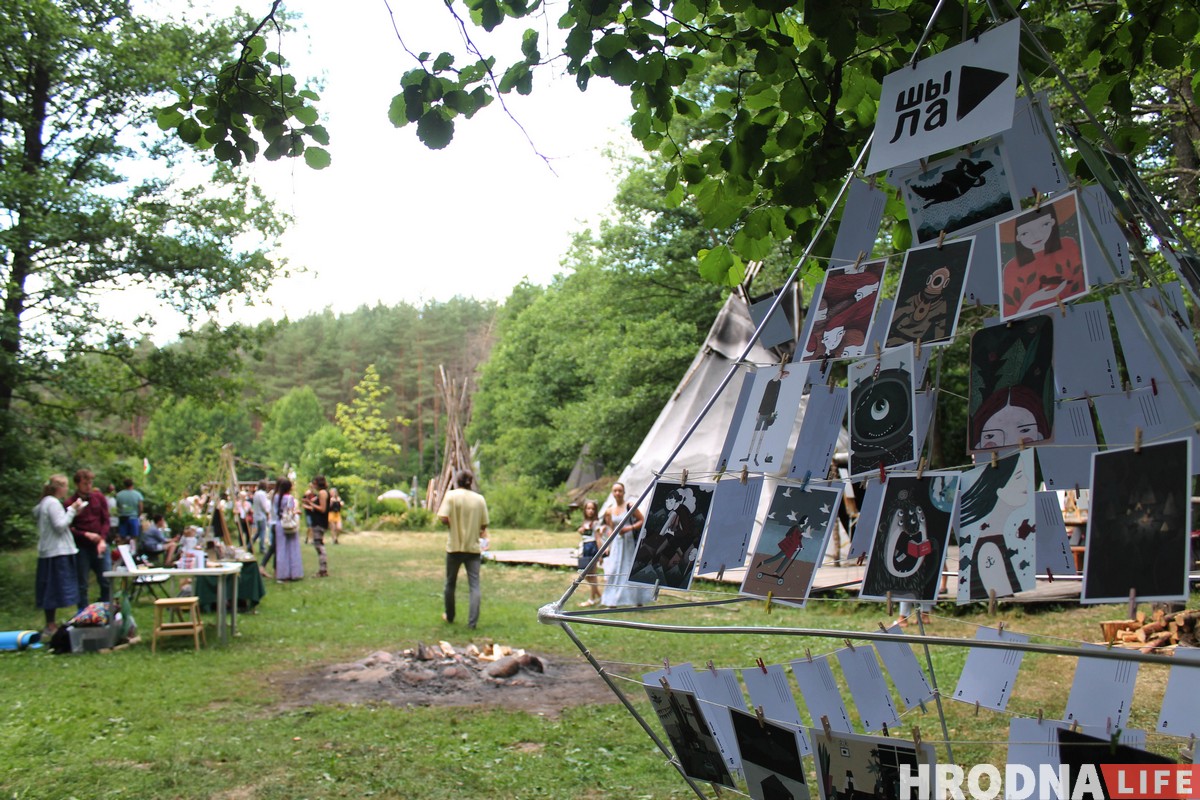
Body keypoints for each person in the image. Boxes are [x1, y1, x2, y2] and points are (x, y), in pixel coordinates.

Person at [1001, 201, 1085, 317]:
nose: (1036, 236)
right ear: (1018, 237)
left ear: (1052, 223)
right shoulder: (1012, 267)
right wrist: (1032, 299)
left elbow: (1079, 285)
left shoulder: (1067, 245)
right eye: (1025, 233)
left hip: (1071, 313)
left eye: (1044, 225)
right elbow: (1011, 316)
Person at [437, 469, 489, 629]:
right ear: (471, 482)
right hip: (473, 549)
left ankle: (450, 616)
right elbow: (484, 525)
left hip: (454, 547)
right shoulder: (479, 499)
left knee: (450, 584)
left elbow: (442, 517)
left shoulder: (451, 496)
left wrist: (452, 524)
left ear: (457, 481)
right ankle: (472, 623)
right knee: (474, 586)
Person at [35, 475, 84, 637]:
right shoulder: (53, 503)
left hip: (50, 551)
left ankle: (51, 624)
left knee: (50, 588)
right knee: (53, 589)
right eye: (66, 486)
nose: (67, 490)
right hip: (57, 551)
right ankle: (51, 625)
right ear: (59, 488)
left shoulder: (45, 502)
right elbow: (60, 525)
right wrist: (72, 510)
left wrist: (72, 512)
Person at [600, 482, 654, 608]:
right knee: (614, 569)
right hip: (617, 543)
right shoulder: (609, 511)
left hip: (629, 542)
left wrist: (629, 528)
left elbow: (642, 520)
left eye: (620, 490)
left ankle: (638, 599)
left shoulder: (629, 506)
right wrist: (607, 545)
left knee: (630, 568)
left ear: (624, 492)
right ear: (612, 493)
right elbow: (611, 529)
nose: (617, 493)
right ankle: (612, 600)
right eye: (615, 491)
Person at [68, 469, 111, 611]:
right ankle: (83, 614)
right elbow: (68, 527)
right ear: (77, 484)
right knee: (82, 583)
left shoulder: (99, 498)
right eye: (85, 484)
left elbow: (106, 520)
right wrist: (85, 534)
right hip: (82, 546)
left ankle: (106, 610)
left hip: (100, 544)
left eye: (90, 483)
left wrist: (102, 539)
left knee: (106, 579)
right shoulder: (71, 503)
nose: (88, 486)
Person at [273, 478, 303, 582]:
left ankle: (282, 573)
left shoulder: (276, 497)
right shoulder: (289, 498)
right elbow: (291, 511)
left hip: (279, 523)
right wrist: (297, 512)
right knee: (292, 548)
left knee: (281, 549)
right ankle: (294, 572)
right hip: (289, 524)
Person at [575, 499, 604, 607]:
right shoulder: (585, 522)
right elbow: (585, 535)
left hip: (592, 548)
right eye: (588, 508)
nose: (590, 511)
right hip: (585, 548)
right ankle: (600, 597)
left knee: (592, 574)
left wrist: (600, 554)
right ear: (585, 510)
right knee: (585, 574)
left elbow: (598, 538)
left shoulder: (596, 523)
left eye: (592, 509)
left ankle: (592, 599)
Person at [303, 475, 330, 577]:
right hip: (318, 521)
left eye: (314, 483)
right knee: (318, 544)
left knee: (318, 545)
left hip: (320, 522)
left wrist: (310, 503)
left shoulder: (322, 493)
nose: (313, 485)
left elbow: (322, 509)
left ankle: (323, 569)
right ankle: (323, 569)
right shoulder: (322, 493)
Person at [114, 478, 144, 550]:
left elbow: (117, 507)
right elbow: (141, 508)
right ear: (132, 484)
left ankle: (122, 552)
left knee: (122, 538)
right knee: (133, 538)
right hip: (133, 518)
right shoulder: (137, 494)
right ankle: (133, 552)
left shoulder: (119, 495)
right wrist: (138, 515)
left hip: (123, 518)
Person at [252, 479, 272, 556]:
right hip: (261, 516)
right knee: (263, 532)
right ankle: (262, 548)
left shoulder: (256, 493)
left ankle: (250, 545)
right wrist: (267, 513)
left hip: (256, 515)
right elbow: (264, 506)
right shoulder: (262, 494)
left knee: (258, 532)